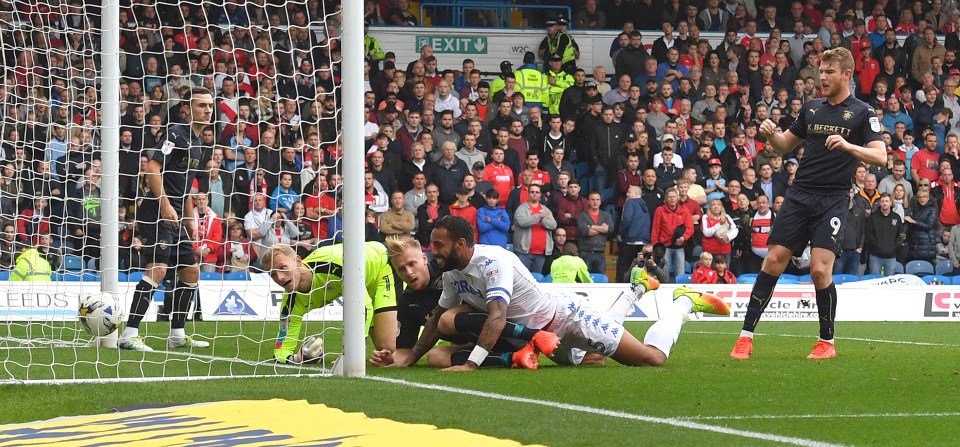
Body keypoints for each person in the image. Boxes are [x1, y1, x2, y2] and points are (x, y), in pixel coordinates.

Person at [386, 215, 728, 371]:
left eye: (438, 245)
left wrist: (472, 364)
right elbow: (435, 323)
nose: (434, 253)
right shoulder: (451, 273)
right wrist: (410, 359)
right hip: (533, 341)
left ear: (461, 243)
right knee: (593, 361)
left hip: (567, 321)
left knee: (652, 360)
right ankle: (637, 288)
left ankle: (682, 303)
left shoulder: (494, 262)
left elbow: (497, 316)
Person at [730, 48, 886, 360]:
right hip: (799, 195)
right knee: (774, 260)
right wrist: (770, 135)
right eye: (821, 71)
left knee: (818, 270)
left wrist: (849, 146)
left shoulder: (862, 112)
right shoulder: (812, 109)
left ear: (846, 74)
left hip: (833, 200)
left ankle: (826, 342)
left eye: (829, 72)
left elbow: (880, 156)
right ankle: (745, 337)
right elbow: (785, 144)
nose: (821, 77)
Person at [121, 87, 216, 351]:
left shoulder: (200, 145)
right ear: (188, 109)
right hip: (156, 210)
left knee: (191, 271)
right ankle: (128, 334)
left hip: (176, 214)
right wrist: (164, 204)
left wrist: (190, 219)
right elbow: (152, 169)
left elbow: (185, 186)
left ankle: (177, 333)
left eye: (209, 106)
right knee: (158, 270)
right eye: (201, 106)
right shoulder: (175, 132)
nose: (207, 110)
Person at [261, 242, 398, 363]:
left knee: (388, 347)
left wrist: (354, 353)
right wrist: (298, 358)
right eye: (272, 274)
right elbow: (280, 351)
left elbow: (362, 306)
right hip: (360, 278)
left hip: (381, 264)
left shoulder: (335, 266)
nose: (279, 277)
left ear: (298, 261)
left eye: (283, 268)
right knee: (384, 349)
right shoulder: (290, 303)